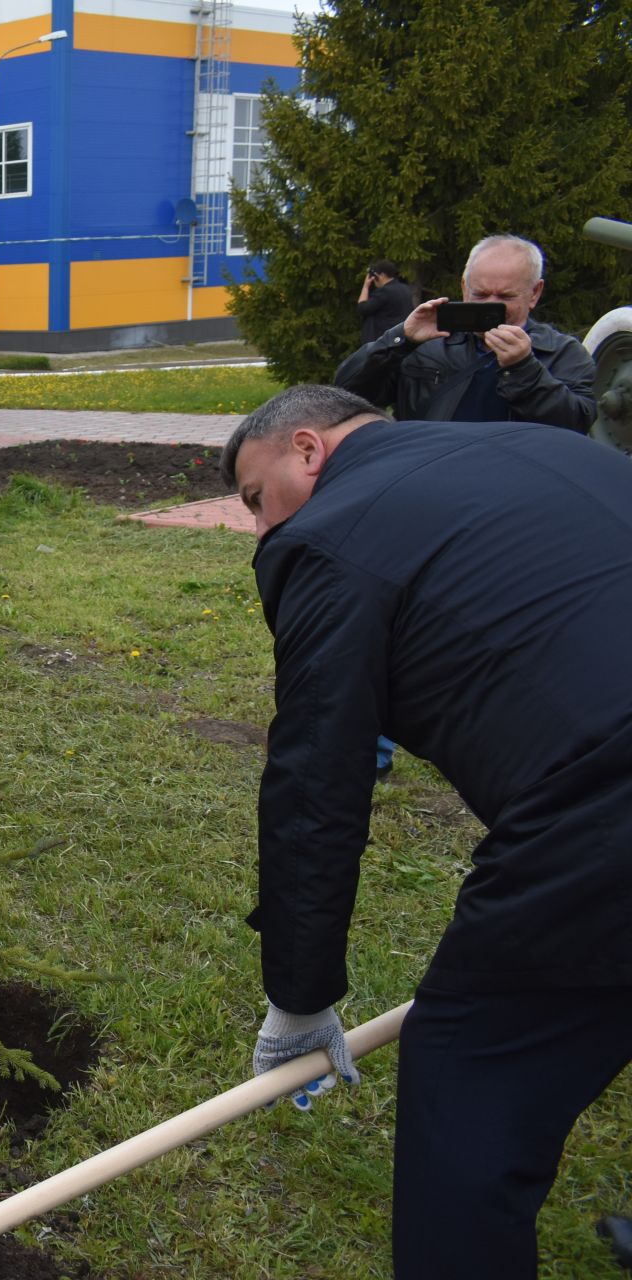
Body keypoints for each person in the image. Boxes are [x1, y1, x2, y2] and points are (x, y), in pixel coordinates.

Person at [222, 383, 632, 1278]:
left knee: (472, 1065)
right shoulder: (540, 448)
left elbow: (316, 783)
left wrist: (299, 999)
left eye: (256, 501)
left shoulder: (329, 538)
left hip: (607, 808)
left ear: (307, 450)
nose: (263, 532)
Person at [333, 234, 595, 432]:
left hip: (516, 493)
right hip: (431, 482)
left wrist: (524, 369)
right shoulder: (427, 344)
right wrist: (401, 338)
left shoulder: (563, 353)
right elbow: (346, 394)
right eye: (479, 294)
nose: (491, 305)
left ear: (534, 293)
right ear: (463, 286)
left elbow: (576, 426)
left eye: (505, 296)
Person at [355, 259, 413, 343]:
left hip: (384, 340)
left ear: (382, 275)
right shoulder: (405, 289)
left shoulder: (385, 291)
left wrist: (366, 286)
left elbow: (362, 308)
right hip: (400, 337)